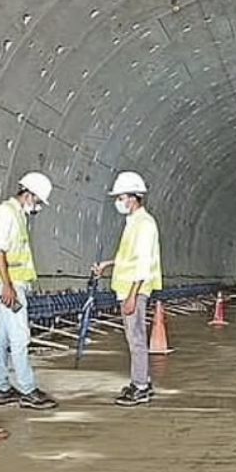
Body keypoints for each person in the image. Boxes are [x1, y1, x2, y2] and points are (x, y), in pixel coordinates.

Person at [0, 172, 58, 410]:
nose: (39, 206)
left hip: (11, 283)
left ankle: (2, 389)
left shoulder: (17, 215)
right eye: (39, 201)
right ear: (29, 194)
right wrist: (7, 286)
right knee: (20, 336)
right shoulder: (6, 213)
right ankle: (28, 389)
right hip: (7, 286)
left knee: (2, 337)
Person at [92, 171, 163, 406]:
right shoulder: (133, 223)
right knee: (133, 338)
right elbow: (129, 258)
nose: (118, 202)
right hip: (126, 289)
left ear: (133, 197)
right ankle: (139, 381)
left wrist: (133, 296)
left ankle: (141, 386)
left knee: (137, 338)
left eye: (120, 197)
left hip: (135, 291)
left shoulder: (144, 224)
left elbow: (143, 263)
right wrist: (108, 265)